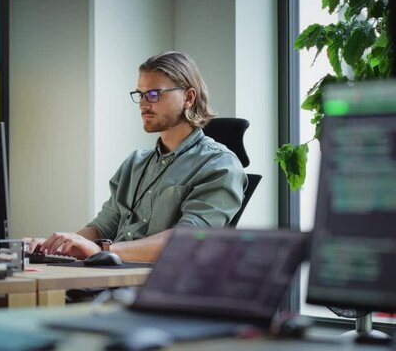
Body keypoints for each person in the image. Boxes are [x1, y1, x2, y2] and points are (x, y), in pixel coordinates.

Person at [28, 51, 247, 262]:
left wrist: (101, 251)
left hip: (155, 286)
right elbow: (102, 227)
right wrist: (54, 247)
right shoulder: (135, 163)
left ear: (188, 97)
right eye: (140, 94)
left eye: (154, 94)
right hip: (109, 275)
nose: (143, 103)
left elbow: (187, 241)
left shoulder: (219, 164)